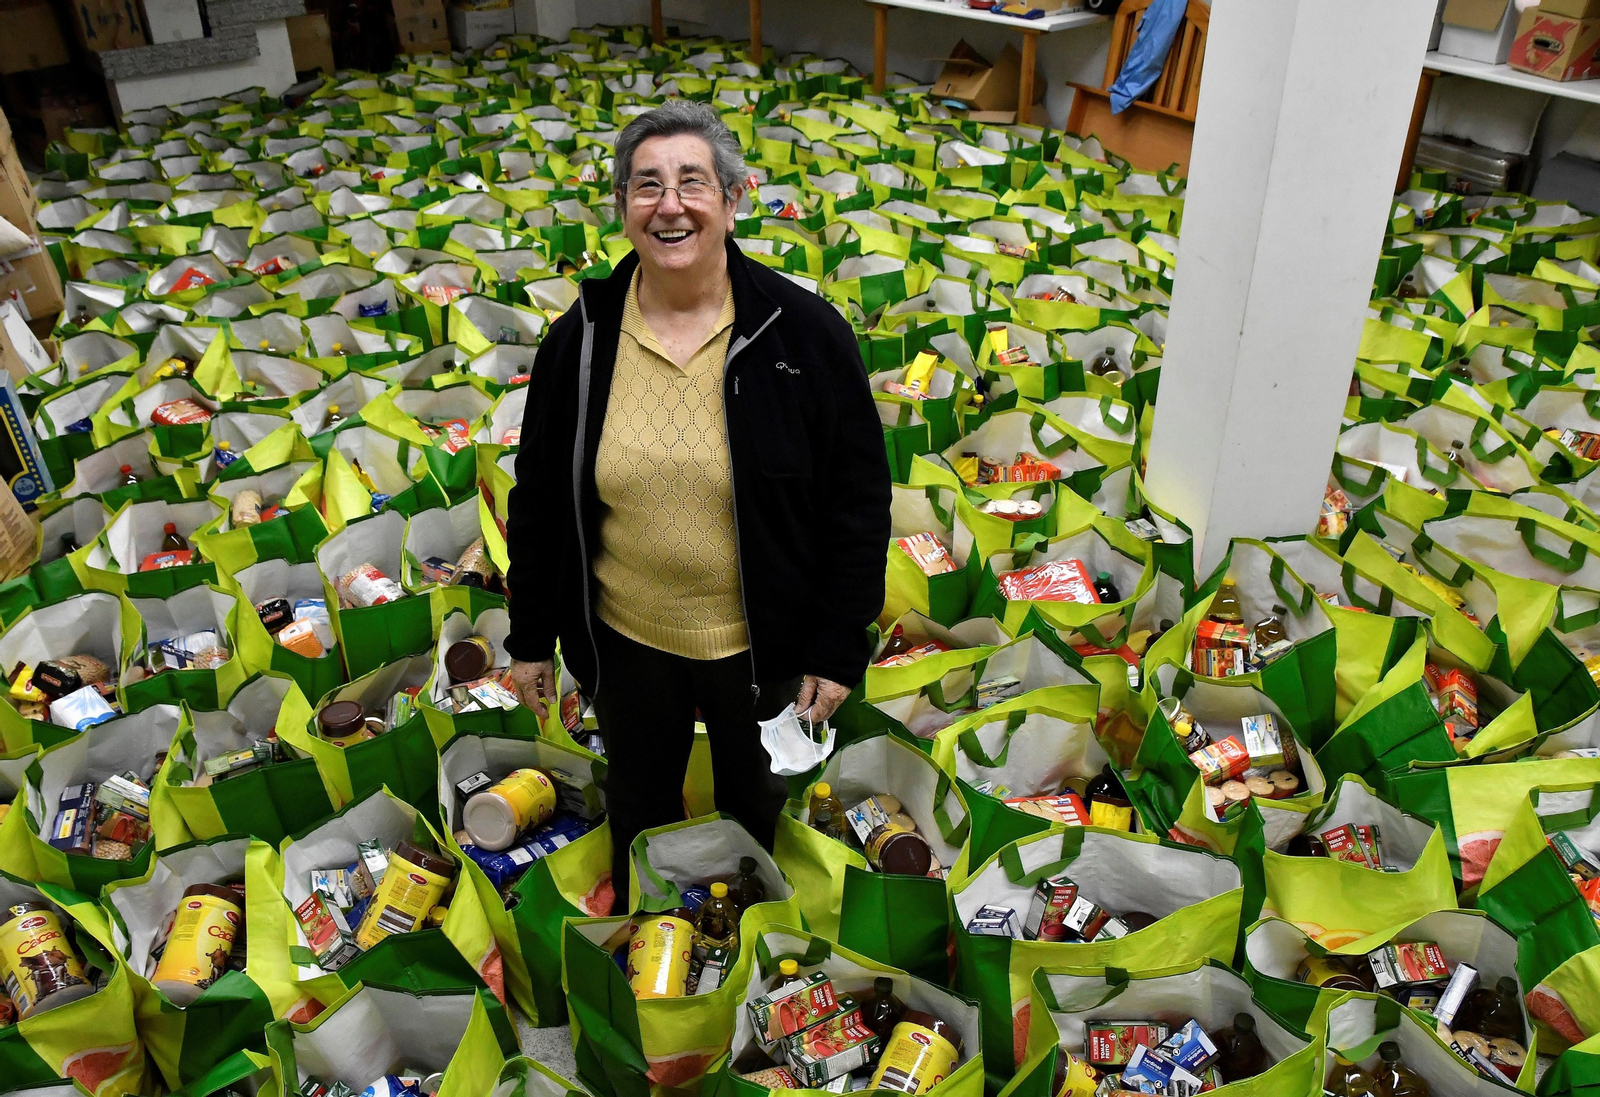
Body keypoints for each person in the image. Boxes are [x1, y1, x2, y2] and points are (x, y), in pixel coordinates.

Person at [502, 100, 891, 911]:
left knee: (756, 810)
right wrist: (531, 637)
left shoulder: (804, 335)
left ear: (735, 196)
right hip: (628, 635)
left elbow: (857, 503)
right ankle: (652, 953)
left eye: (691, 183)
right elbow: (538, 498)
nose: (669, 205)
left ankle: (748, 962)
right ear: (621, 207)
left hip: (761, 645)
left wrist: (836, 644)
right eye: (646, 185)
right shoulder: (581, 340)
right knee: (640, 805)